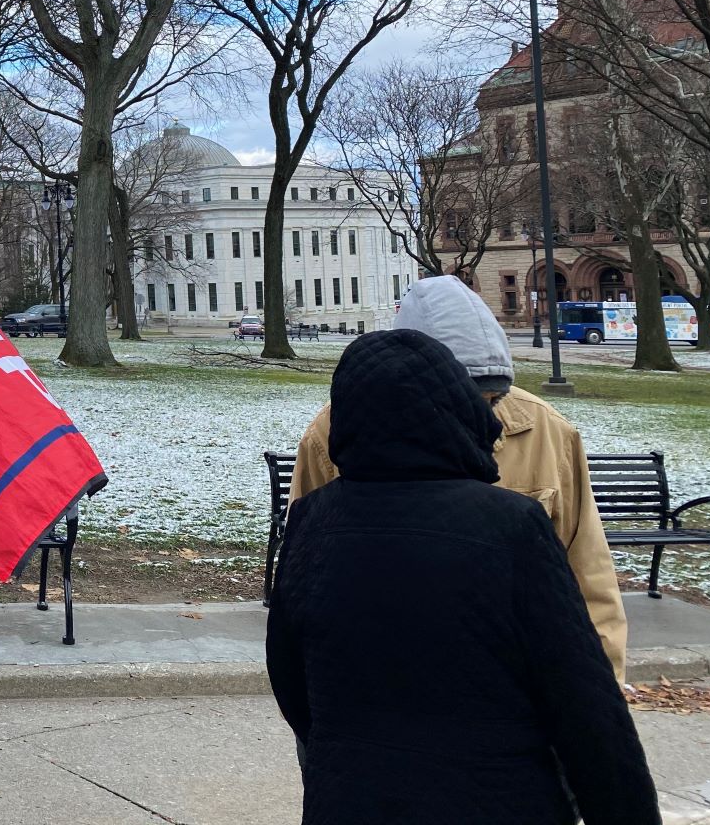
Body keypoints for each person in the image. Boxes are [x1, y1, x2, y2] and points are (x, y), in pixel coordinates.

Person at [267, 328, 659, 825]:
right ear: (459, 412)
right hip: (497, 795)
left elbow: (289, 675)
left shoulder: (312, 520)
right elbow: (584, 702)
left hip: (351, 796)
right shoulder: (510, 524)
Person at [289, 275, 627, 682]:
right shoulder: (335, 434)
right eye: (464, 400)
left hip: (516, 696)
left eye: (493, 400)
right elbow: (305, 581)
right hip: (379, 692)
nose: (480, 418)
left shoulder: (547, 430)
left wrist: (602, 691)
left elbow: (588, 574)